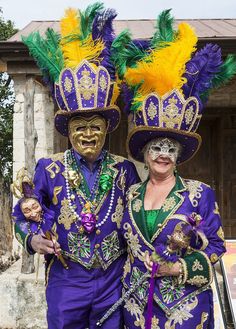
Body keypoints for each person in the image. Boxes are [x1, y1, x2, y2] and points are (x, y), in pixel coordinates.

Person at [13, 4, 139, 328]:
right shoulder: (48, 169)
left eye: (94, 125)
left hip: (113, 281)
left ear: (107, 128)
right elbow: (24, 211)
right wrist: (32, 239)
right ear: (67, 131)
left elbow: (139, 222)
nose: (87, 133)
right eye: (78, 126)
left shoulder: (125, 171)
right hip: (66, 281)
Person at [109, 9, 236, 329]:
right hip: (137, 308)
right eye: (156, 148)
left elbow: (217, 248)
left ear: (178, 156)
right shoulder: (132, 192)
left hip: (186, 309)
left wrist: (179, 268)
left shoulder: (199, 194)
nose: (162, 155)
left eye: (170, 150)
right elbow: (122, 247)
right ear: (146, 152)